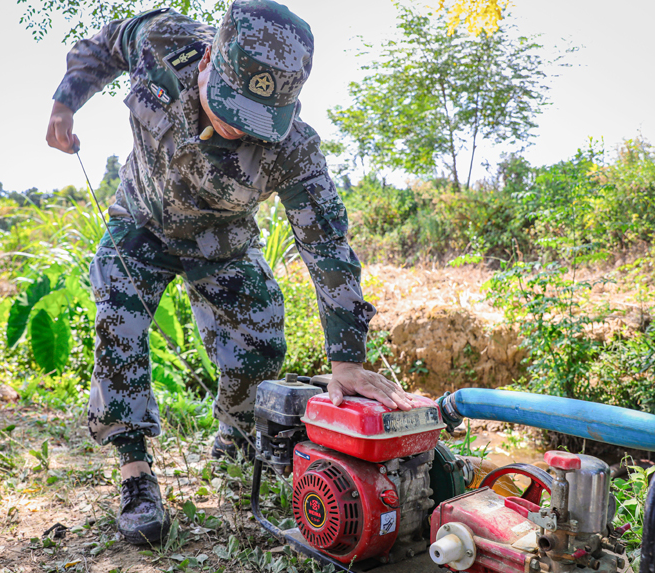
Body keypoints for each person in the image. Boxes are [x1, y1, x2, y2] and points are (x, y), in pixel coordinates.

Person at [46, 0, 412, 545]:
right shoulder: (163, 41)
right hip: (140, 221)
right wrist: (64, 103)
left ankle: (235, 447)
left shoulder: (295, 148)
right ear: (208, 59)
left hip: (222, 241)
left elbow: (327, 246)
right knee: (117, 322)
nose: (239, 128)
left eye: (258, 119)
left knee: (260, 343)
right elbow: (100, 47)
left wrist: (347, 360)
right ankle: (135, 473)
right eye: (231, 108)